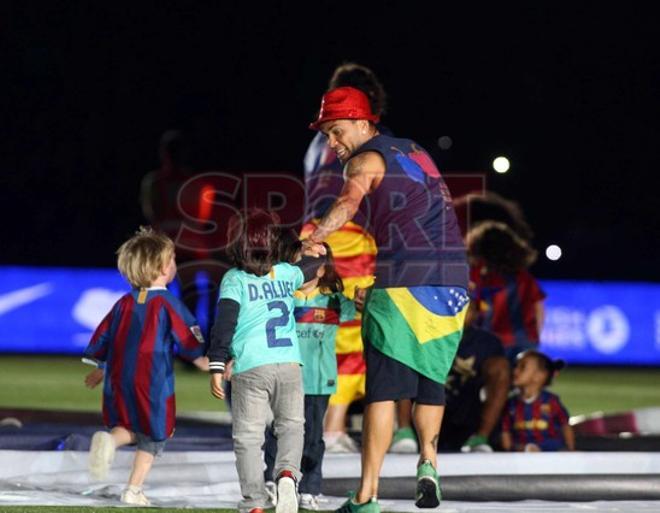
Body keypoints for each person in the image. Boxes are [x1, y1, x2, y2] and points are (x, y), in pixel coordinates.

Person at [305, 87, 469, 511]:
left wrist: (314, 238)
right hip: (453, 281)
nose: (333, 143)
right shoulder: (412, 151)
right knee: (430, 380)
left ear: (364, 124)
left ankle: (366, 495)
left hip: (403, 281)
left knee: (384, 390)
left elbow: (347, 201)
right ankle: (428, 463)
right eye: (326, 135)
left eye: (337, 131)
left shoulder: (365, 159)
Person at [207, 210, 325, 513]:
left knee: (248, 437)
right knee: (292, 427)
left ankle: (255, 501)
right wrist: (316, 252)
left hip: (251, 367)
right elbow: (311, 267)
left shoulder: (234, 279)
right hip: (288, 364)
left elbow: (224, 325)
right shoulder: (286, 273)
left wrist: (217, 365)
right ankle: (287, 474)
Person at [83, 227, 207, 506]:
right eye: (173, 259)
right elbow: (187, 335)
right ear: (163, 267)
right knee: (154, 436)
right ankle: (133, 489)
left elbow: (104, 336)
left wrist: (99, 367)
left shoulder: (124, 303)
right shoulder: (166, 302)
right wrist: (203, 360)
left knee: (130, 425)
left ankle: (109, 441)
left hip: (118, 378)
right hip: (151, 379)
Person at [301, 63, 388, 453]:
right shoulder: (363, 144)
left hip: (313, 229)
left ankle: (308, 425)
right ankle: (331, 429)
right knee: (349, 331)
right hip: (348, 233)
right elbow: (355, 198)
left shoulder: (319, 142)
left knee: (317, 325)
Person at [264, 242, 356, 510]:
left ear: (321, 270)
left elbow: (365, 305)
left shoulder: (335, 302)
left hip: (318, 383)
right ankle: (272, 481)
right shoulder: (283, 299)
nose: (299, 271)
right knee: (278, 432)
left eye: (305, 265)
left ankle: (309, 488)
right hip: (285, 379)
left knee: (313, 437)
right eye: (295, 264)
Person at [467, 220, 546, 363]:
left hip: (489, 343)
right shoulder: (524, 278)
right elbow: (538, 309)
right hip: (523, 342)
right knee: (519, 384)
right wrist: (534, 338)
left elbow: (475, 309)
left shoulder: (477, 277)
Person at [439, 300, 510, 452]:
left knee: (501, 368)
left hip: (467, 414)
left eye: (467, 308)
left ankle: (481, 437)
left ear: (476, 314)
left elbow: (499, 376)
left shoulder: (487, 342)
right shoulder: (427, 333)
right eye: (456, 305)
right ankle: (403, 432)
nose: (460, 311)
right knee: (401, 362)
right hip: (424, 407)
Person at [501, 350, 575, 451]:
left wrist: (570, 449)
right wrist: (509, 449)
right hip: (523, 451)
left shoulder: (551, 402)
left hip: (551, 452)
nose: (515, 371)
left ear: (538, 376)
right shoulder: (511, 404)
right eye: (516, 366)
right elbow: (505, 430)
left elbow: (565, 425)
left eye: (522, 367)